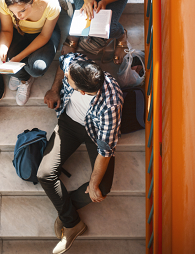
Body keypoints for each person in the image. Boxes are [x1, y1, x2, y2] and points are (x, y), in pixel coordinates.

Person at [38, 52, 123, 254]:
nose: (66, 75)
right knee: (44, 174)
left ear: (83, 92)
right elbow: (62, 61)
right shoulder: (76, 64)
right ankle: (72, 222)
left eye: (68, 80)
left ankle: (67, 213)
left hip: (96, 131)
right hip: (69, 124)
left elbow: (105, 148)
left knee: (102, 186)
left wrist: (93, 183)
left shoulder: (111, 104)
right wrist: (54, 88)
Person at [0, 0, 61, 106]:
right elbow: (6, 30)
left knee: (37, 68)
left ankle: (23, 74)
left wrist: (19, 57)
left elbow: (44, 36)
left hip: (43, 33)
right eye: (13, 12)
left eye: (22, 10)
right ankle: (24, 79)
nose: (18, 16)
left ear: (32, 0)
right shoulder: (3, 0)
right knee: (8, 56)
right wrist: (2, 49)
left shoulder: (51, 4)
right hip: (18, 32)